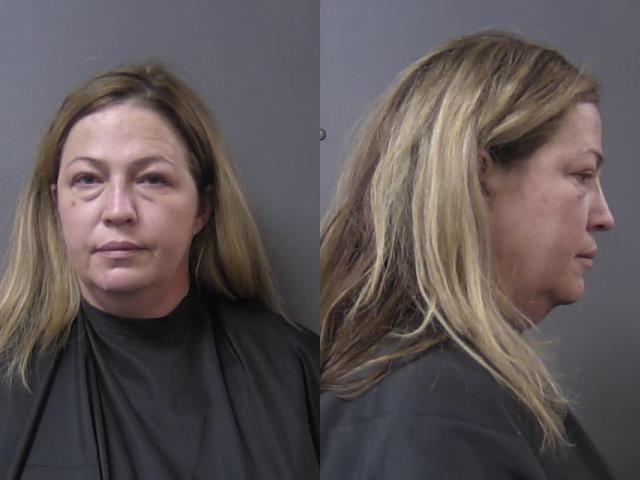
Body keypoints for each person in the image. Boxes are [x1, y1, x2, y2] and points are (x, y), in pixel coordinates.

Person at [0, 62, 318, 479]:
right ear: (56, 204)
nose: (118, 210)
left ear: (203, 208)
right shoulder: (9, 374)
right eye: (88, 179)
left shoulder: (296, 369)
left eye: (151, 179)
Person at [320, 32, 615, 479]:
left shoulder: (424, 390)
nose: (604, 216)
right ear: (479, 174)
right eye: (581, 175)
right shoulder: (436, 406)